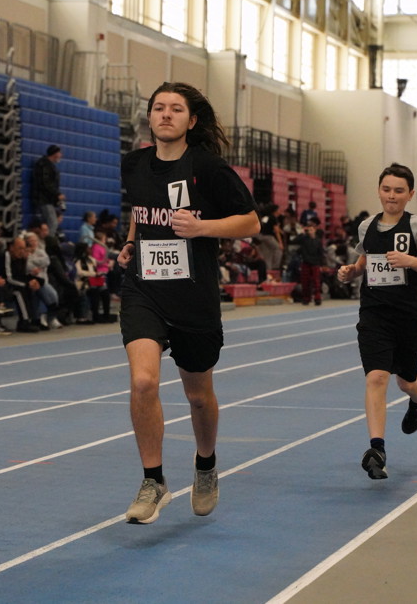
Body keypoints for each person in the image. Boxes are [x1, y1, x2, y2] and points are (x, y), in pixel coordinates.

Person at [117, 82, 260, 524]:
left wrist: (203, 228)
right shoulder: (133, 164)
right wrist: (130, 243)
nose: (166, 114)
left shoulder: (208, 168)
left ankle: (205, 463)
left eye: (176, 109)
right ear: (149, 117)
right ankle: (153, 480)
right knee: (143, 381)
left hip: (193, 297)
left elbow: (251, 222)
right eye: (158, 107)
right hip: (144, 289)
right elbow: (140, 211)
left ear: (191, 120)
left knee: (198, 396)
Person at [336, 163, 417, 480]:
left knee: (405, 381)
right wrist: (351, 271)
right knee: (377, 377)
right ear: (379, 191)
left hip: (408, 316)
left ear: (410, 194)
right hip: (374, 314)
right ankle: (377, 449)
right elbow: (365, 261)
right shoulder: (367, 226)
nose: (392, 196)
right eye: (386, 189)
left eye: (399, 191)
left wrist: (411, 261)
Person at [32, 144, 64, 237]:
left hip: (46, 199)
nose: (61, 155)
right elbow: (45, 183)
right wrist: (57, 194)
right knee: (52, 223)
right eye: (59, 153)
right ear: (55, 154)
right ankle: (49, 242)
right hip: (44, 199)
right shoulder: (45, 166)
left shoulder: (47, 165)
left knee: (49, 222)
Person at [295, 220, 325, 306]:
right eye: (309, 230)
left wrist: (321, 264)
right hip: (306, 262)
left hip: (315, 263)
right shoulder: (304, 239)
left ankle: (317, 298)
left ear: (315, 230)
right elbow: (295, 240)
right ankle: (306, 298)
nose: (310, 231)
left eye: (312, 230)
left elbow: (321, 253)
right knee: (305, 282)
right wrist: (302, 233)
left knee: (316, 282)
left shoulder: (318, 241)